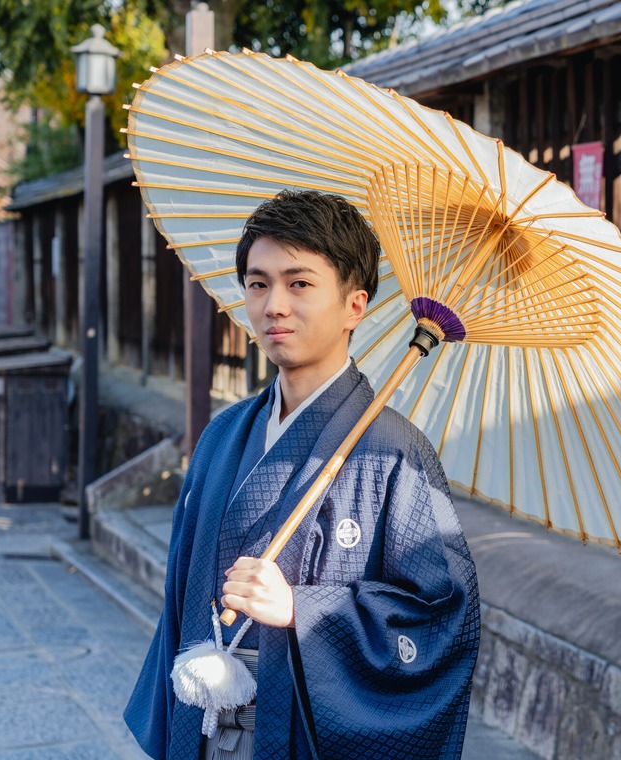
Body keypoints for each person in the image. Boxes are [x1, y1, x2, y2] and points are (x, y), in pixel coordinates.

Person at [125, 190, 480, 760]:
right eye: (258, 283)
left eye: (300, 284)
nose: (274, 306)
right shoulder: (224, 435)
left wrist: (301, 610)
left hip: (304, 733)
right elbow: (179, 596)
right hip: (206, 721)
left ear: (355, 305)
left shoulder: (393, 453)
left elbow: (441, 618)